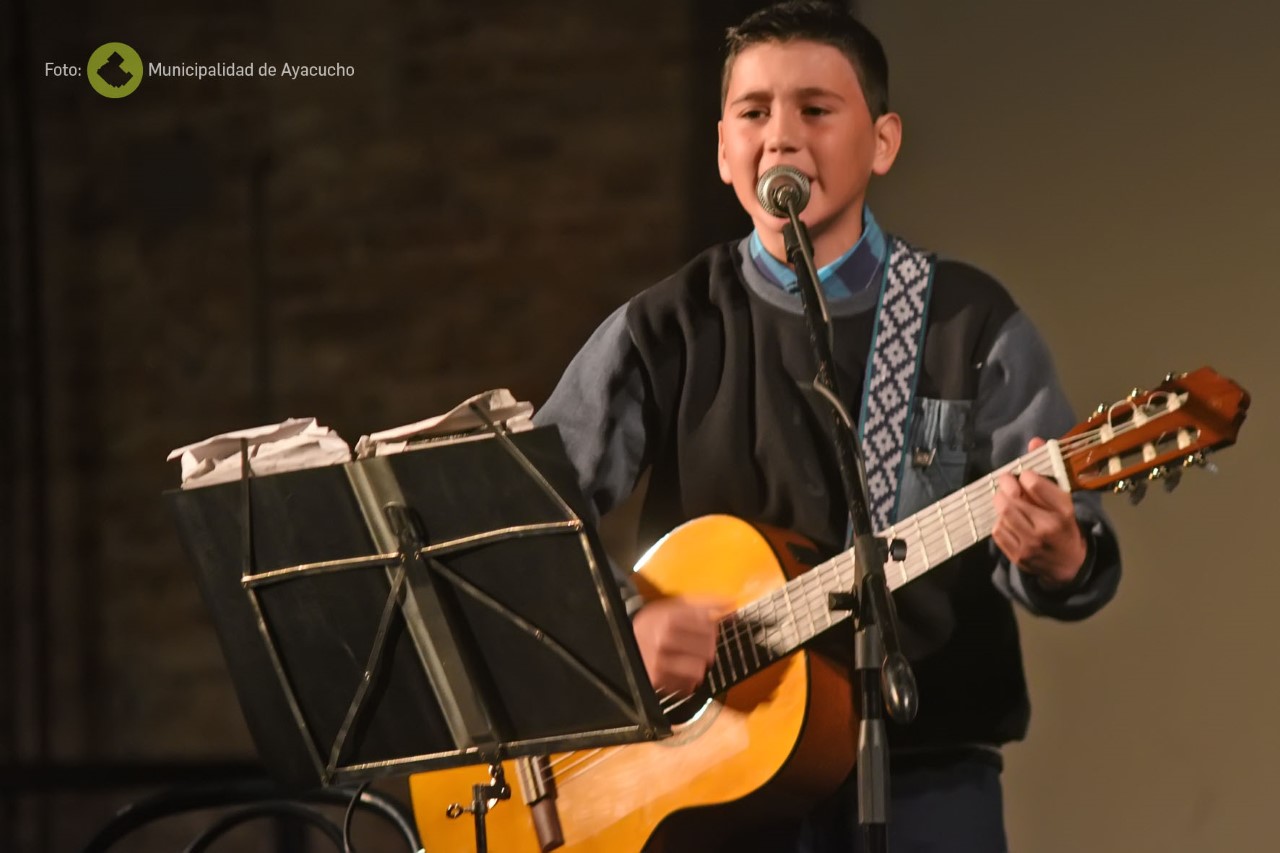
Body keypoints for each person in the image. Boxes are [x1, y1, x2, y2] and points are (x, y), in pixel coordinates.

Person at [532, 2, 1121, 850]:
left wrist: (1061, 556)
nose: (782, 136)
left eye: (815, 109)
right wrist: (623, 626)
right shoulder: (665, 329)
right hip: (712, 788)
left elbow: (1069, 541)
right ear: (724, 151)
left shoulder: (967, 321)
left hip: (928, 779)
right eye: (753, 112)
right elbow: (530, 517)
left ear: (881, 142)